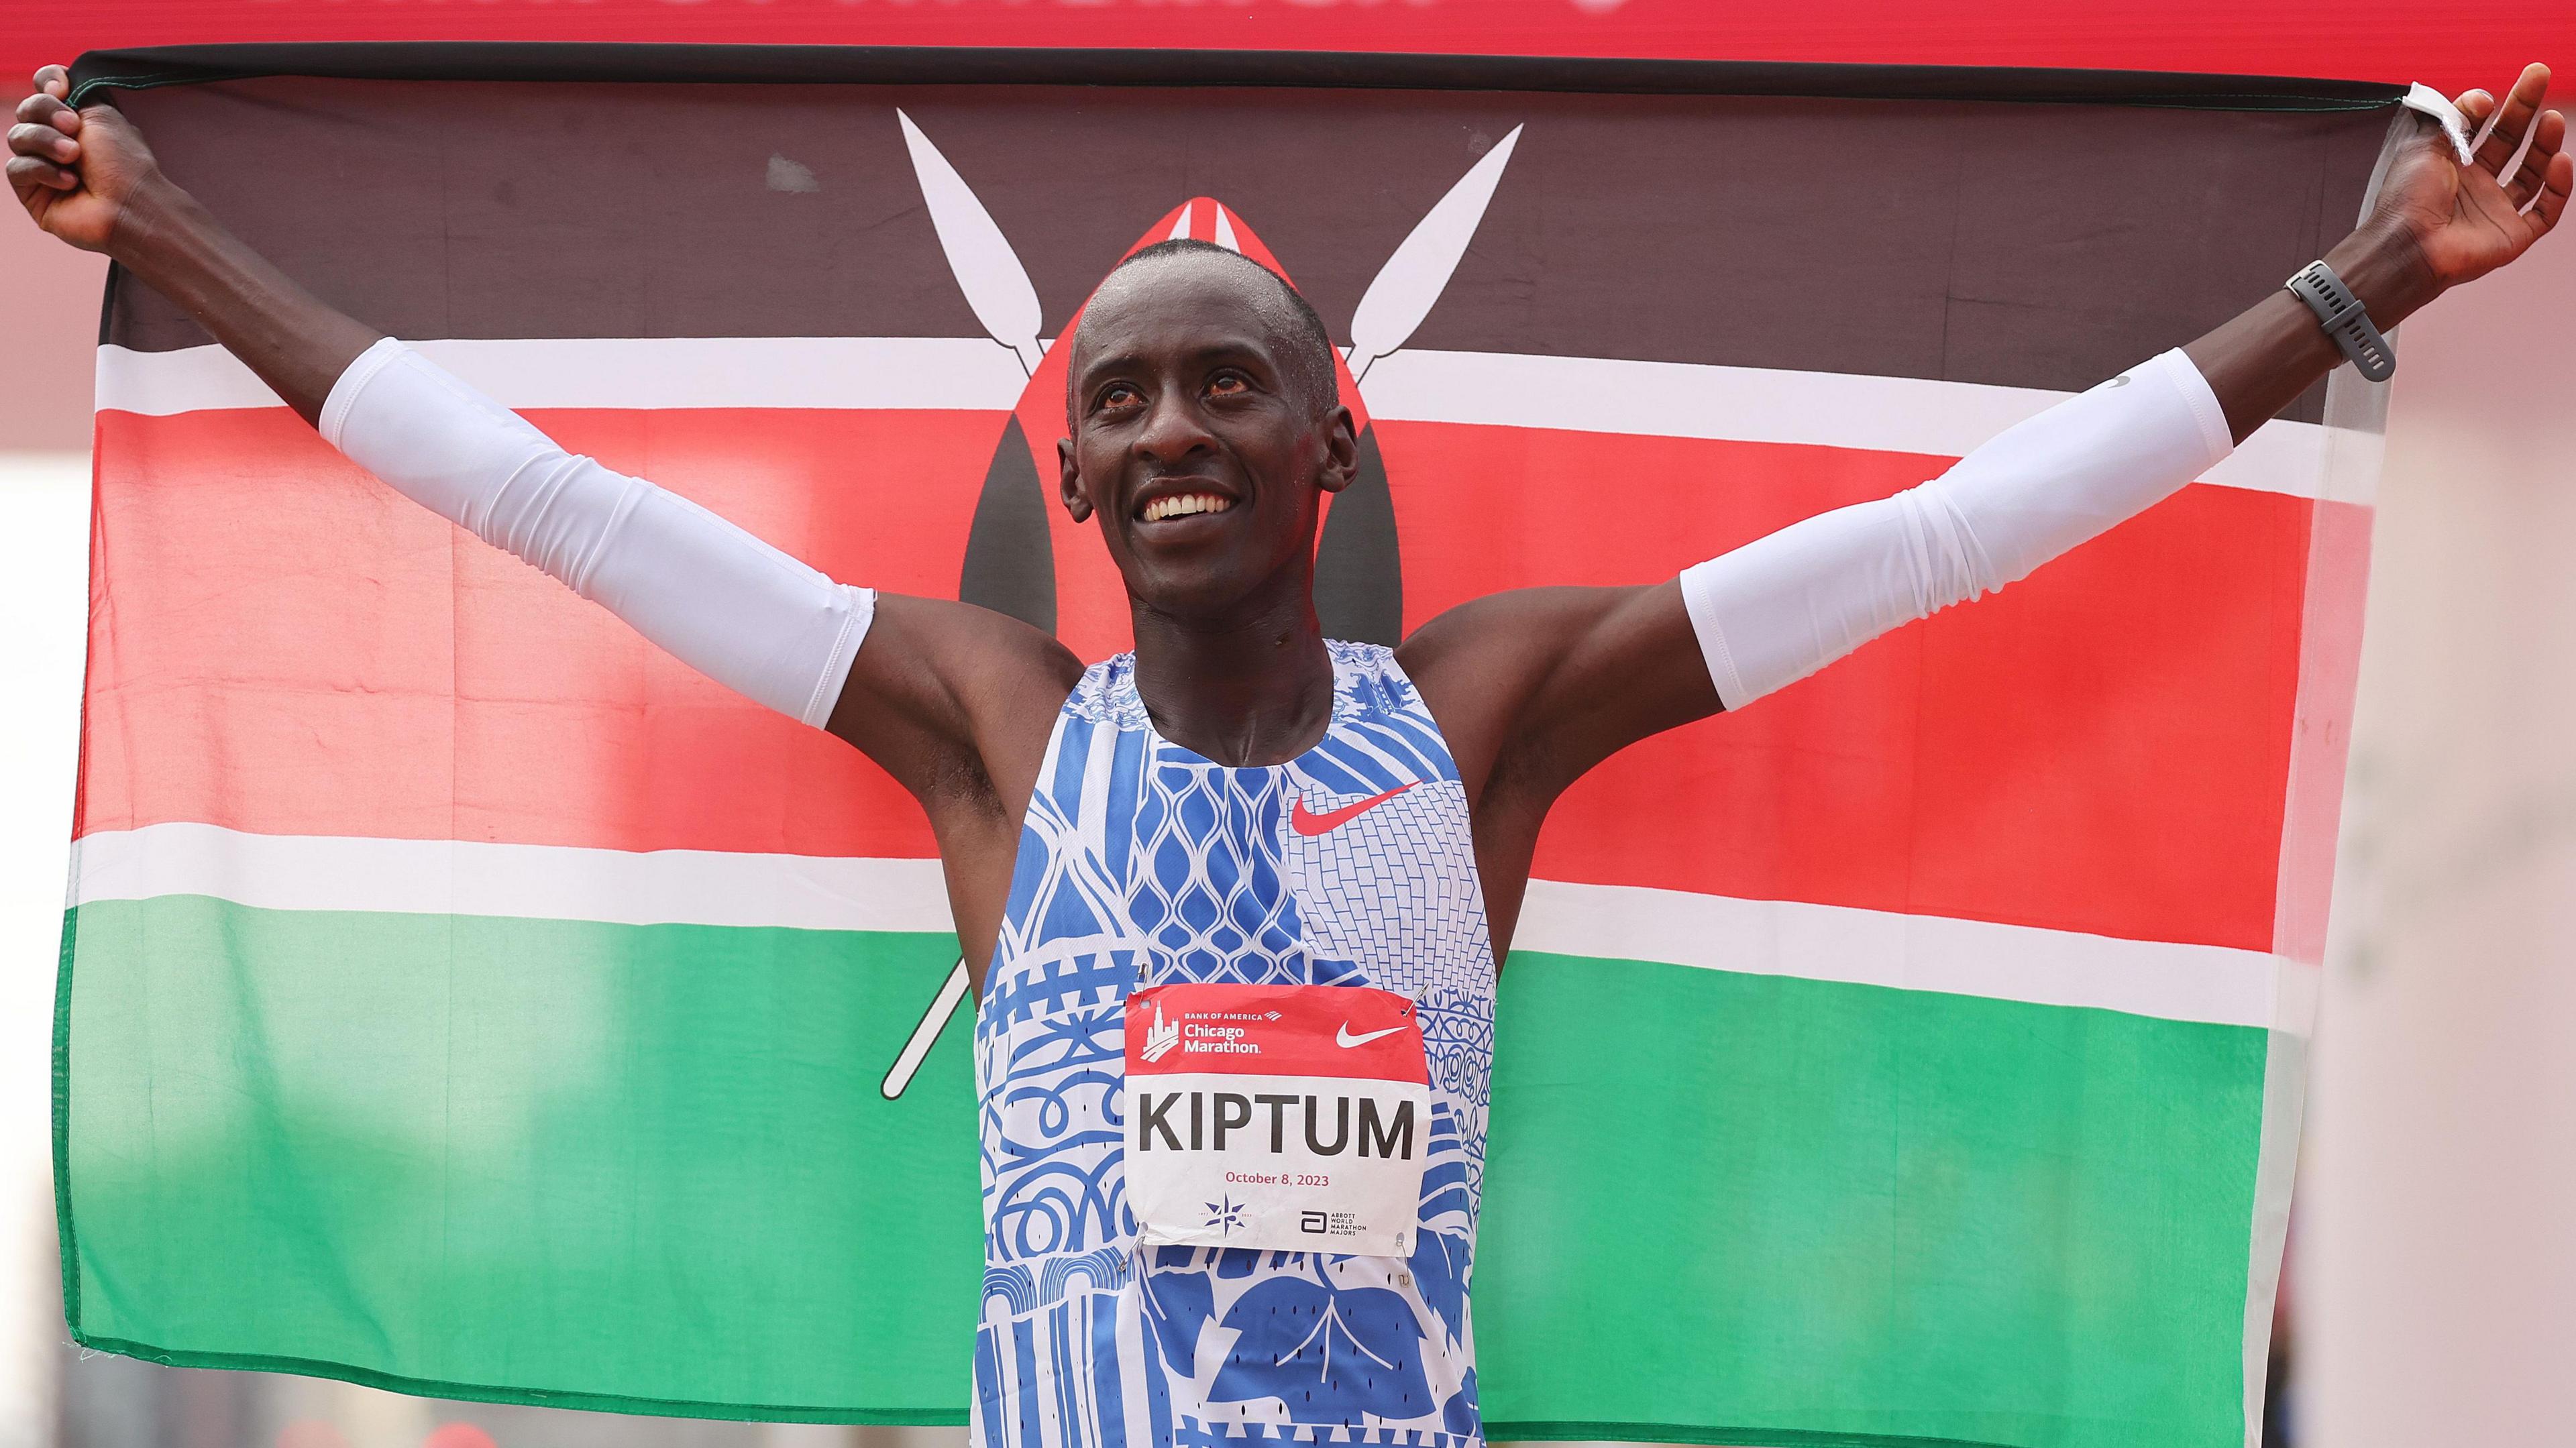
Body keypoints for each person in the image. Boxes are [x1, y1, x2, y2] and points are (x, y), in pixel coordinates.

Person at [11, 60, 2567, 1448]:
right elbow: (540, 502)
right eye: (1116, 401)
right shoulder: (990, 730)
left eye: (1226, 383)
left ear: (1331, 444)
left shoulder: (1481, 722)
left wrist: (2357, 288)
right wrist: (171, 241)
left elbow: (1949, 537)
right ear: (1074, 474)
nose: (1171, 432)